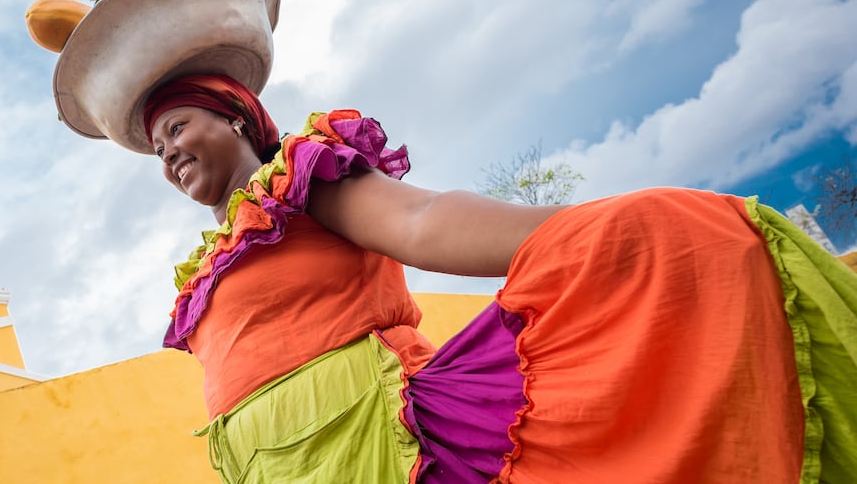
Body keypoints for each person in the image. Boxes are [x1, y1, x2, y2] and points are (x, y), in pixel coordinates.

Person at [142, 73, 857, 484]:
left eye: (177, 126)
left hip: (389, 446)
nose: (168, 152)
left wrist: (588, 233)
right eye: (156, 147)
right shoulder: (206, 267)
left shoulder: (298, 181)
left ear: (235, 114)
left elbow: (422, 222)